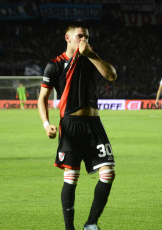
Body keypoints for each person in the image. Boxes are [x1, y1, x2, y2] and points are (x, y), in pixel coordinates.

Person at [38, 23, 117, 230]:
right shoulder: (54, 65)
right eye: (80, 36)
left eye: (87, 37)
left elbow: (111, 75)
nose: (84, 40)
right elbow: (42, 98)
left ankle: (91, 224)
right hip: (70, 124)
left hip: (94, 123)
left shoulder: (90, 59)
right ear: (68, 38)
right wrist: (47, 124)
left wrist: (91, 55)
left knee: (108, 173)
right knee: (71, 178)